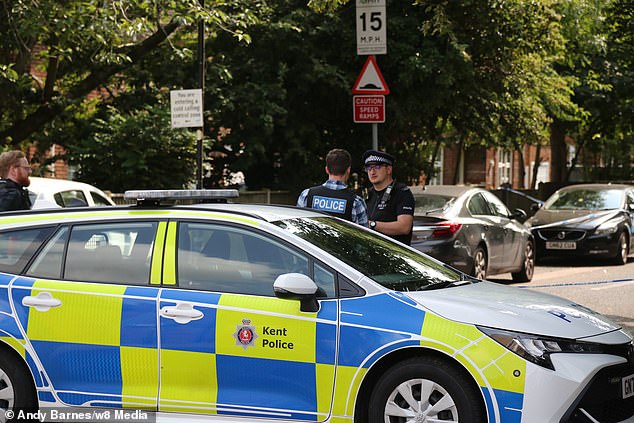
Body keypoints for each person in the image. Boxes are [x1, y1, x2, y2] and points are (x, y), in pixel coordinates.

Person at [297, 149, 368, 226]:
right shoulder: (356, 202)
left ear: (326, 169)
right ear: (348, 170)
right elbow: (364, 234)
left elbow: (298, 226)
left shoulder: (306, 195)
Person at [363, 149, 415, 244]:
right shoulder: (368, 194)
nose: (372, 172)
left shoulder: (402, 192)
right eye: (369, 168)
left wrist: (372, 224)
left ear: (388, 169)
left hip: (394, 254)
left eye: (377, 167)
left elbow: (404, 227)